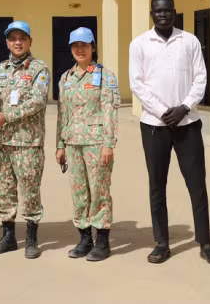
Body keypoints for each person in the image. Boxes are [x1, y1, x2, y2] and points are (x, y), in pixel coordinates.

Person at [129, 0, 210, 266]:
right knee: (157, 186)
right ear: (152, 13)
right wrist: (162, 112)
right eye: (158, 11)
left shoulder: (190, 41)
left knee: (197, 184)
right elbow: (137, 84)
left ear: (174, 12)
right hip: (154, 127)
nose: (163, 15)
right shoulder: (139, 44)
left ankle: (205, 243)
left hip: (188, 124)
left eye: (167, 11)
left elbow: (200, 78)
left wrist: (184, 107)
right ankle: (162, 243)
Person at [55, 27, 120, 262]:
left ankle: (102, 241)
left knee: (99, 191)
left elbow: (109, 111)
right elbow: (62, 113)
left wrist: (108, 144)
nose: (80, 49)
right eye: (75, 46)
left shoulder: (105, 76)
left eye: (84, 45)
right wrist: (60, 144)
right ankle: (84, 239)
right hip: (73, 143)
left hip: (96, 143)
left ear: (93, 47)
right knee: (79, 192)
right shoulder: (66, 78)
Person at [0, 21, 50, 259]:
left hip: (27, 143)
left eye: (22, 38)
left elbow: (37, 101)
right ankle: (8, 237)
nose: (17, 42)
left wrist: (8, 117)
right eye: (13, 38)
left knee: (30, 190)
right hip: (1, 142)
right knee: (2, 190)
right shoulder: (1, 68)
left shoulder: (39, 69)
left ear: (30, 41)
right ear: (7, 42)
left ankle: (32, 239)